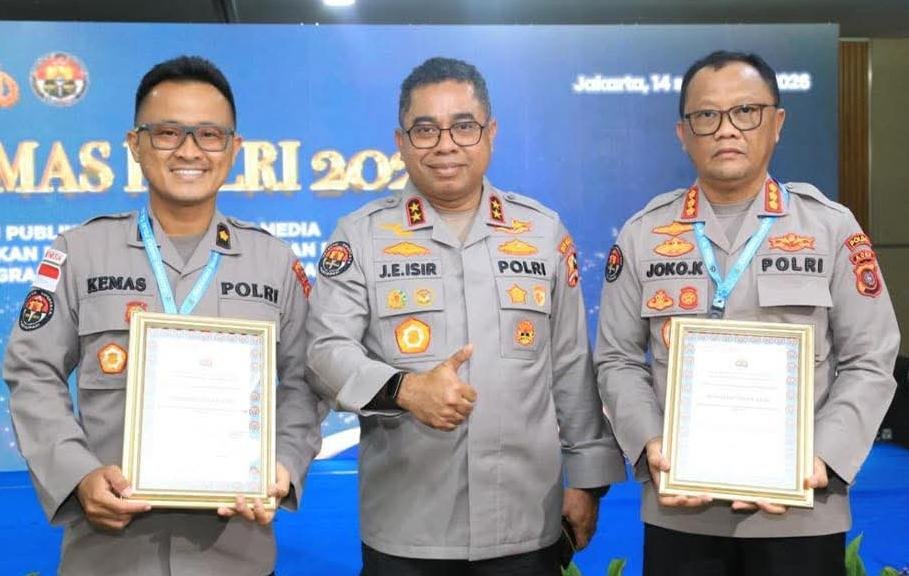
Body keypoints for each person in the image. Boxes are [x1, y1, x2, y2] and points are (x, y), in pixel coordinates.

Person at [2, 55, 323, 575]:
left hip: (234, 550)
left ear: (234, 148)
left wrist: (282, 465)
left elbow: (307, 380)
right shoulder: (80, 251)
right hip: (108, 552)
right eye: (168, 132)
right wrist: (78, 476)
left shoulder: (274, 263)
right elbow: (31, 369)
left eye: (210, 135)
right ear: (135, 144)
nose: (189, 151)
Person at [305, 56, 626, 575]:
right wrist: (405, 389)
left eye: (463, 126)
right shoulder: (360, 235)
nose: (445, 144)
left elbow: (569, 365)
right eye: (425, 129)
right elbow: (324, 352)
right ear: (401, 141)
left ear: (490, 133)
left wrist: (588, 481)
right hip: (408, 530)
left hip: (526, 521)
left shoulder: (542, 233)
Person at [594, 50, 899, 576]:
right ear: (683, 133)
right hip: (681, 510)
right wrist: (651, 444)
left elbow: (871, 357)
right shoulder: (643, 234)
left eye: (746, 111)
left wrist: (823, 457)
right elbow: (617, 358)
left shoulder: (831, 228)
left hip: (802, 511)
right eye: (706, 115)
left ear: (776, 123)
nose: (726, 129)